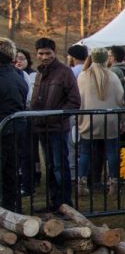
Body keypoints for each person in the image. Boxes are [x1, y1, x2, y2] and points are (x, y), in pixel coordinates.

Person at [30, 37, 81, 212]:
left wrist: (56, 116)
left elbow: (74, 101)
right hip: (41, 127)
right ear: (37, 54)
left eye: (48, 53)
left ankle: (65, 203)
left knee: (60, 166)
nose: (44, 57)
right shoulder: (39, 73)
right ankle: (54, 202)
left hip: (57, 128)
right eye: (41, 53)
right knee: (50, 167)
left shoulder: (65, 72)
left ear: (54, 53)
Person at [76, 47, 125, 196]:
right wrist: (123, 119)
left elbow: (79, 99)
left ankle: (81, 183)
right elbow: (120, 100)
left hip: (89, 119)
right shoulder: (113, 76)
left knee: (85, 152)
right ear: (106, 59)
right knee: (112, 152)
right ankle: (114, 183)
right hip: (110, 119)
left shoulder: (82, 76)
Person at [0, 39, 27, 212]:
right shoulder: (18, 76)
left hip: (4, 129)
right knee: (10, 173)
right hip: (15, 129)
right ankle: (11, 211)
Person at [14, 48, 40, 196]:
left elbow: (30, 99)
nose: (19, 61)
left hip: (26, 118)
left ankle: (29, 180)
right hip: (18, 118)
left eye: (22, 58)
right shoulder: (19, 74)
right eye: (16, 58)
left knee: (28, 151)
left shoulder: (27, 75)